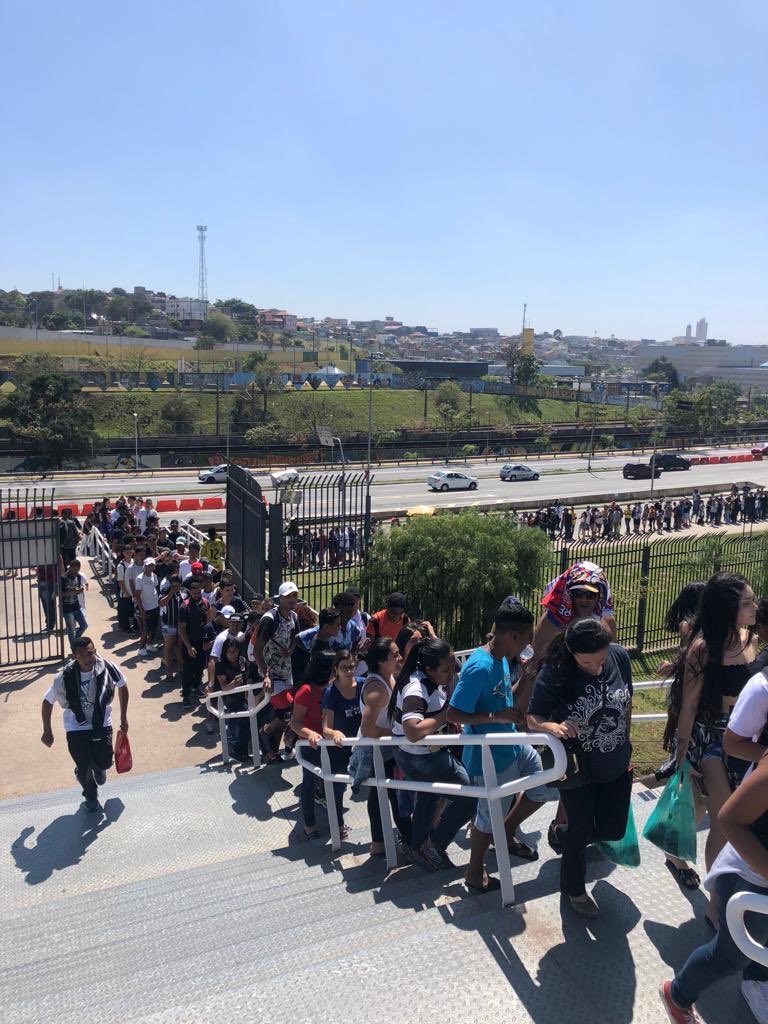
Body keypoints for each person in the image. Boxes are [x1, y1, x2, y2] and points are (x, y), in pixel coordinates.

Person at [664, 572, 759, 927]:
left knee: (702, 806)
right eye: (746, 602)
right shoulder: (704, 648)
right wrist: (681, 752)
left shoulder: (751, 639)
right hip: (712, 742)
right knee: (725, 821)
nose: (754, 607)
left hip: (746, 738)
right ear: (727, 608)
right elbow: (688, 705)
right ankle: (716, 905)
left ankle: (674, 852)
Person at [528, 619, 634, 918]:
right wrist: (554, 726)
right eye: (587, 662)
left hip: (614, 759)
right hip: (577, 766)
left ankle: (564, 832)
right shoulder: (557, 670)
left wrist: (625, 745)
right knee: (582, 829)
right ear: (571, 652)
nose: (597, 667)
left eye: (601, 659)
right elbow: (532, 718)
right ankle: (574, 889)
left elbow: (627, 702)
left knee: (613, 828)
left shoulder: (619, 656)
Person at [448, 602, 556, 893]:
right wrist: (494, 717)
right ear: (513, 636)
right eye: (528, 638)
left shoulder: (503, 660)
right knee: (487, 817)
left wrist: (529, 676)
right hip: (490, 756)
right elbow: (454, 714)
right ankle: (474, 872)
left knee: (543, 786)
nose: (530, 643)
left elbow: (506, 701)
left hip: (512, 745)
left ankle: (504, 831)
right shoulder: (479, 667)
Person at [659, 749, 768, 1024]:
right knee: (729, 957)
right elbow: (729, 819)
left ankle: (758, 983)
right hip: (749, 876)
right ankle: (677, 995)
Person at [390, 637, 476, 871]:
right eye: (446, 670)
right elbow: (413, 730)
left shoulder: (422, 680)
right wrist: (446, 715)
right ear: (429, 668)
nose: (450, 674)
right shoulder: (416, 688)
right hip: (424, 756)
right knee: (470, 797)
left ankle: (419, 848)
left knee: (428, 797)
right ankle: (434, 844)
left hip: (408, 755)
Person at [657, 581, 708, 891]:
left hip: (699, 717)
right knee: (695, 793)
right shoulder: (693, 628)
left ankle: (674, 847)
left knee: (696, 793)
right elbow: (689, 663)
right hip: (696, 718)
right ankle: (675, 851)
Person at [40, 636, 128, 811]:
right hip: (76, 726)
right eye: (82, 656)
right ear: (74, 656)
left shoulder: (107, 667)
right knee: (83, 767)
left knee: (103, 762)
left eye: (90, 654)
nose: (87, 659)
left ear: (94, 651)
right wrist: (47, 731)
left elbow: (123, 686)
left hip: (101, 723)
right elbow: (47, 701)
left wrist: (124, 717)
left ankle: (99, 767)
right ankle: (90, 794)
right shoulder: (64, 676)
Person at [359, 637, 413, 857]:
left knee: (382, 792)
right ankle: (410, 842)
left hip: (387, 750)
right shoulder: (377, 690)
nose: (399, 657)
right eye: (395, 654)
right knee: (393, 794)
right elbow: (368, 728)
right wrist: (398, 733)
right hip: (380, 751)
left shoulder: (387, 677)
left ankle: (380, 842)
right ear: (381, 661)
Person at [290, 649, 336, 839]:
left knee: (333, 782)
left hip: (331, 745)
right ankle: (309, 824)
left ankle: (337, 821)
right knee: (309, 782)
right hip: (310, 746)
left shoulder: (336, 688)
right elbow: (295, 723)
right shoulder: (306, 691)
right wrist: (311, 735)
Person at [253, 581, 300, 763]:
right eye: (288, 596)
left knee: (286, 713)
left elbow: (295, 637)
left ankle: (275, 745)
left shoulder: (293, 616)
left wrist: (291, 649)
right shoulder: (270, 619)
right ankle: (265, 733)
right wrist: (266, 674)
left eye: (294, 595)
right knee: (288, 710)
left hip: (286, 671)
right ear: (280, 598)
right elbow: (257, 650)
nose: (292, 600)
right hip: (272, 674)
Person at [321, 650, 362, 839]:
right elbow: (326, 728)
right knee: (338, 788)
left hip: (362, 745)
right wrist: (335, 732)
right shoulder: (331, 692)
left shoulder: (363, 684)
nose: (349, 671)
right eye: (344, 668)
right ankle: (337, 825)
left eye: (352, 666)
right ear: (336, 669)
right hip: (340, 749)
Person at [212, 636, 251, 762]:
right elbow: (223, 687)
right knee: (246, 723)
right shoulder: (220, 665)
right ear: (225, 652)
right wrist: (234, 683)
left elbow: (249, 676)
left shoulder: (243, 660)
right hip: (232, 701)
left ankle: (241, 750)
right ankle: (239, 750)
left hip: (246, 698)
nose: (233, 654)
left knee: (251, 723)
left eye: (235, 651)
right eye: (230, 652)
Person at [178, 576, 211, 709]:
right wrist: (189, 647)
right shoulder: (184, 607)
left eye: (199, 592)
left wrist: (207, 641)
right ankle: (186, 696)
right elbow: (182, 629)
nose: (197, 595)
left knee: (200, 668)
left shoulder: (205, 603)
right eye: (194, 592)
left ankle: (196, 688)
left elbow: (208, 622)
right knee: (188, 670)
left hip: (202, 643)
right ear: (190, 592)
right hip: (189, 643)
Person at [159, 573, 184, 679]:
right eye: (174, 585)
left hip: (181, 625)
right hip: (168, 624)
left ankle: (181, 668)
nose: (176, 587)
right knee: (169, 648)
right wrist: (171, 593)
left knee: (179, 647)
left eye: (178, 585)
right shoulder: (165, 591)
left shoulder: (185, 593)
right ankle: (169, 671)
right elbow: (161, 603)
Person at [60, 559, 89, 651]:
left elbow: (78, 588)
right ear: (70, 568)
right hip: (67, 609)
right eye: (75, 569)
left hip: (76, 607)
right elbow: (59, 593)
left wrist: (80, 590)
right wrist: (73, 592)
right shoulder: (63, 578)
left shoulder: (79, 576)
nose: (77, 571)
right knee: (71, 630)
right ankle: (74, 649)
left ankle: (75, 642)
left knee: (84, 625)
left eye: (78, 569)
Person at [134, 556, 160, 657]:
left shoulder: (154, 575)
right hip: (145, 608)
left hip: (155, 606)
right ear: (145, 566)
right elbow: (137, 595)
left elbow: (155, 589)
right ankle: (141, 647)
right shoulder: (140, 578)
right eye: (149, 565)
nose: (151, 567)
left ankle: (149, 644)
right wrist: (142, 610)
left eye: (153, 565)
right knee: (146, 629)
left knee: (154, 627)